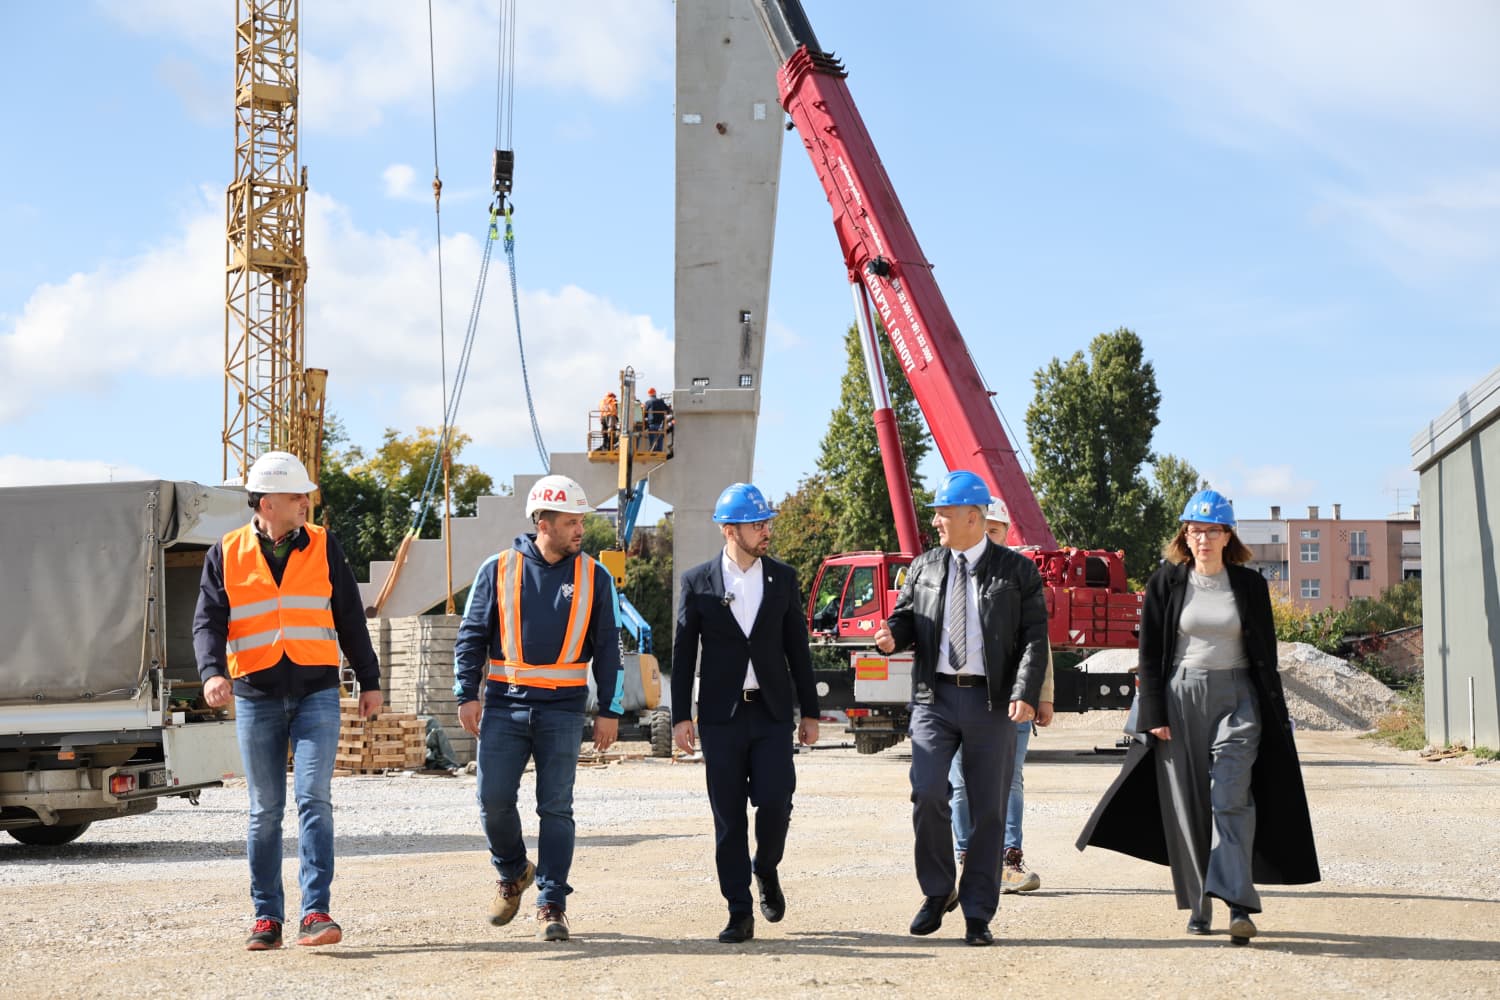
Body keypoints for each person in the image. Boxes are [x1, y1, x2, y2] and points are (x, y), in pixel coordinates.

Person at [1076, 489, 1320, 945]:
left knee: (1231, 796)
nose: (1202, 539)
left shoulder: (1249, 586)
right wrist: (1153, 711)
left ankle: (1238, 902)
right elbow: (1149, 654)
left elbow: (1265, 655)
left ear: (1228, 536)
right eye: (1194, 530)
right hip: (1180, 697)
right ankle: (1199, 905)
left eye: (1211, 531)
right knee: (1187, 804)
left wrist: (1275, 713)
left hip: (1238, 697)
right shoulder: (1165, 583)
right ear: (1184, 536)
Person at [194, 450, 383, 951]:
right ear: (267, 503)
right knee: (265, 811)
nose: (305, 503)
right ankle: (266, 918)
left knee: (313, 798)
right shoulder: (226, 552)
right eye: (297, 495)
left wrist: (369, 680)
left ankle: (315, 912)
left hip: (316, 692)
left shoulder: (323, 544)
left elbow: (349, 616)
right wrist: (212, 673)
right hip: (256, 696)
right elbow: (208, 622)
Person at [874, 470, 1048, 947]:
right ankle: (937, 891)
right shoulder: (924, 567)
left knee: (989, 808)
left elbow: (1034, 639)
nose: (935, 521)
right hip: (934, 698)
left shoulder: (1017, 572)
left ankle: (977, 912)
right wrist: (892, 636)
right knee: (927, 792)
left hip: (992, 702)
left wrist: (1026, 691)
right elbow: (906, 619)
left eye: (943, 513)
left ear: (973, 517)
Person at [454, 474, 624, 943]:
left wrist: (609, 709)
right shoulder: (497, 569)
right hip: (504, 706)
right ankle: (513, 872)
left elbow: (609, 648)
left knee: (556, 808)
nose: (580, 530)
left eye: (581, 521)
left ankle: (552, 902)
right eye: (571, 522)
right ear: (542, 523)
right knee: (492, 802)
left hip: (563, 711)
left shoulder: (596, 576)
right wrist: (467, 694)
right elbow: (471, 636)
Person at [672, 482, 821, 944]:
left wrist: (810, 711)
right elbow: (683, 654)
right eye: (757, 524)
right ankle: (739, 910)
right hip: (722, 717)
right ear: (729, 530)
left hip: (771, 713)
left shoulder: (783, 578)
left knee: (776, 800)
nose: (766, 531)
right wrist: (680, 716)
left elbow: (798, 648)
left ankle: (766, 867)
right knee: (729, 818)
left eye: (766, 522)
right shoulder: (698, 583)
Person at [948, 497, 1054, 894]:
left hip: (1013, 699)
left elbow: (1037, 640)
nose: (988, 536)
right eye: (982, 528)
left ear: (1006, 534)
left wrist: (1043, 694)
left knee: (1010, 781)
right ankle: (967, 858)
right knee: (961, 782)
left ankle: (1009, 859)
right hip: (961, 697)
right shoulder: (949, 575)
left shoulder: (1021, 577)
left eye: (995, 530)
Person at [643, 387, 671, 453]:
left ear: (649, 394)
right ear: (655, 393)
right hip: (660, 424)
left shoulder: (648, 402)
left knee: (652, 438)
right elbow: (668, 410)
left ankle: (653, 450)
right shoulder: (661, 402)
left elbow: (644, 414)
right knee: (660, 438)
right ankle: (659, 450)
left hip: (651, 424)